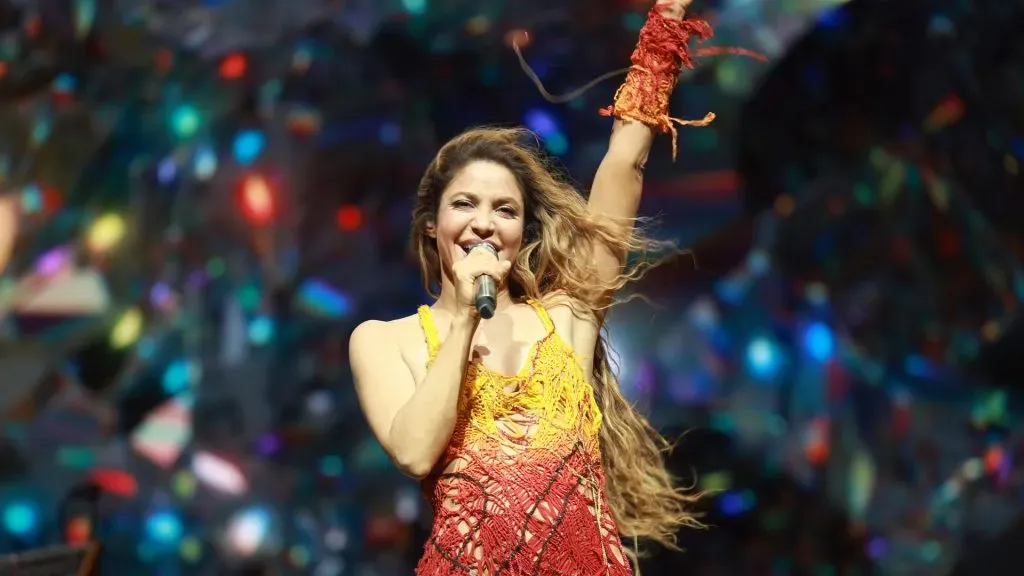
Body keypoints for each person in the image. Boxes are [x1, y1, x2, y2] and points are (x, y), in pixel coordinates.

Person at [350, 1, 753, 573]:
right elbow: (415, 453)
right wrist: (464, 317)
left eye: (505, 209)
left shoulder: (567, 316)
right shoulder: (383, 341)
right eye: (464, 204)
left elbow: (624, 165)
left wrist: (665, 22)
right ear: (431, 226)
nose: (485, 222)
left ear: (521, 232)